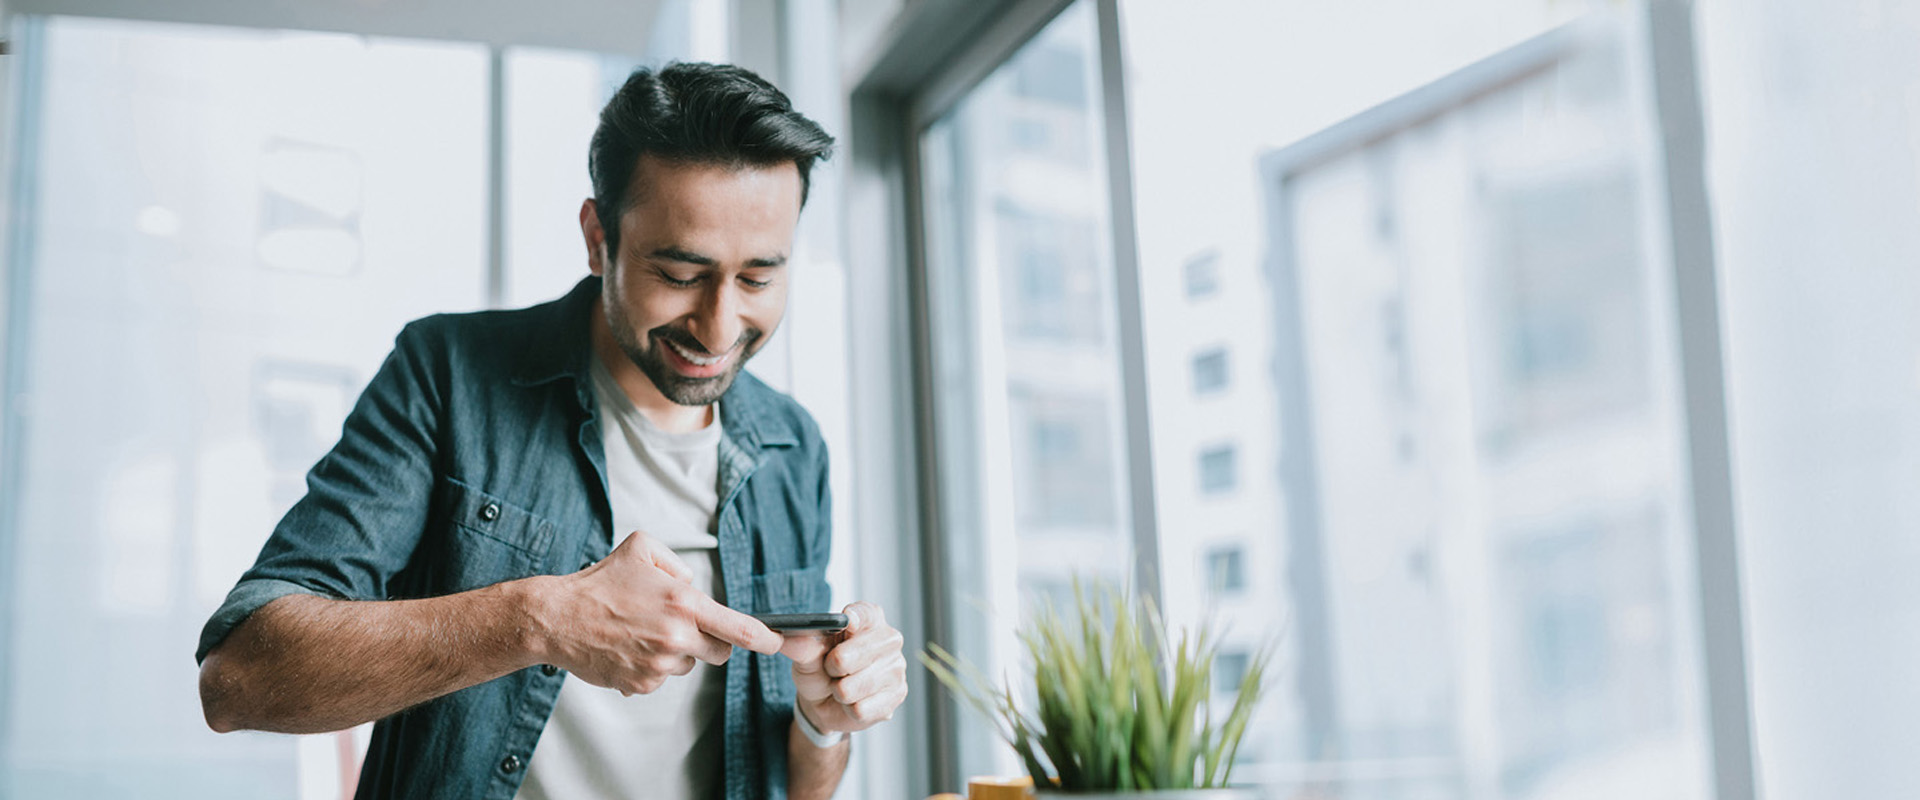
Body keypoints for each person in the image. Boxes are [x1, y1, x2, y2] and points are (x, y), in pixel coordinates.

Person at [194, 62, 907, 800]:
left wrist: (826, 722)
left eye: (758, 279)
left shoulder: (796, 446)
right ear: (599, 240)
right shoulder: (448, 374)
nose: (720, 326)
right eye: (680, 273)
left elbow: (798, 785)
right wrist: (541, 618)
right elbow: (240, 677)